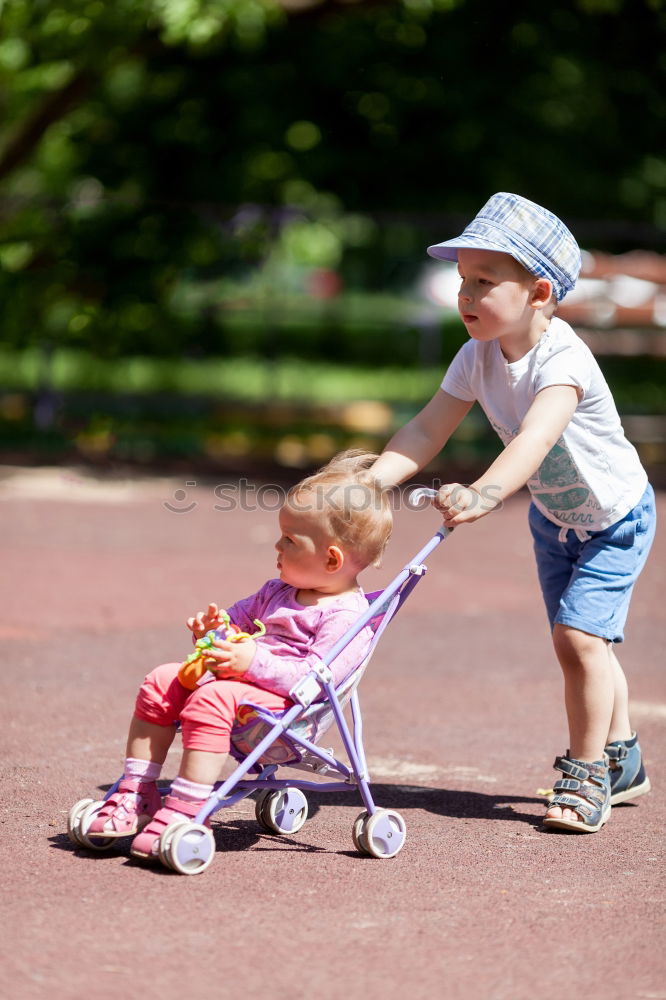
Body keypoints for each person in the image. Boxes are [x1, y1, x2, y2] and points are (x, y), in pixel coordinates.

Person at [372, 192, 656, 834]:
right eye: (462, 281)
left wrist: (482, 493)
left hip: (616, 518)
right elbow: (426, 428)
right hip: (555, 519)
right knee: (586, 642)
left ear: (539, 293)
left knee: (579, 638)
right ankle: (625, 759)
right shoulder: (476, 355)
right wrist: (375, 479)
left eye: (484, 282)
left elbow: (534, 438)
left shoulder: (563, 360)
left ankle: (586, 775)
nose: (466, 296)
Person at [87, 450, 392, 858]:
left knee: (214, 697)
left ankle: (186, 810)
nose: (277, 545)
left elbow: (316, 679)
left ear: (331, 558)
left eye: (289, 539)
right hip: (242, 694)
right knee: (163, 678)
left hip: (287, 719)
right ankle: (137, 792)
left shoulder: (348, 618)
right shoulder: (275, 592)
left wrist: (251, 662)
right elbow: (237, 621)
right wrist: (215, 631)